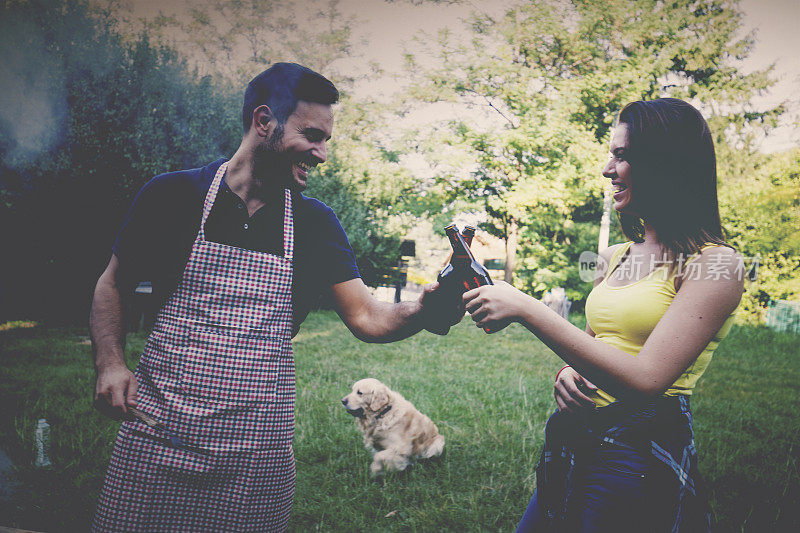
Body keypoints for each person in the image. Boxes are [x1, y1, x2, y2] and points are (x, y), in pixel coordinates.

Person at [89, 62, 457, 532]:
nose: (322, 153)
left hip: (256, 455)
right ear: (264, 121)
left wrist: (424, 310)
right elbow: (113, 283)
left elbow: (367, 316)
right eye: (312, 136)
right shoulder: (171, 196)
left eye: (326, 140)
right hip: (158, 434)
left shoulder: (316, 224)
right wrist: (111, 363)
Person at [463, 98, 743, 531]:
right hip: (575, 438)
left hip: (637, 454)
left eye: (622, 154)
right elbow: (591, 349)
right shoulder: (613, 256)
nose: (607, 169)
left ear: (664, 163)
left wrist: (527, 308)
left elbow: (646, 380)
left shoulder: (716, 264)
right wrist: (566, 375)